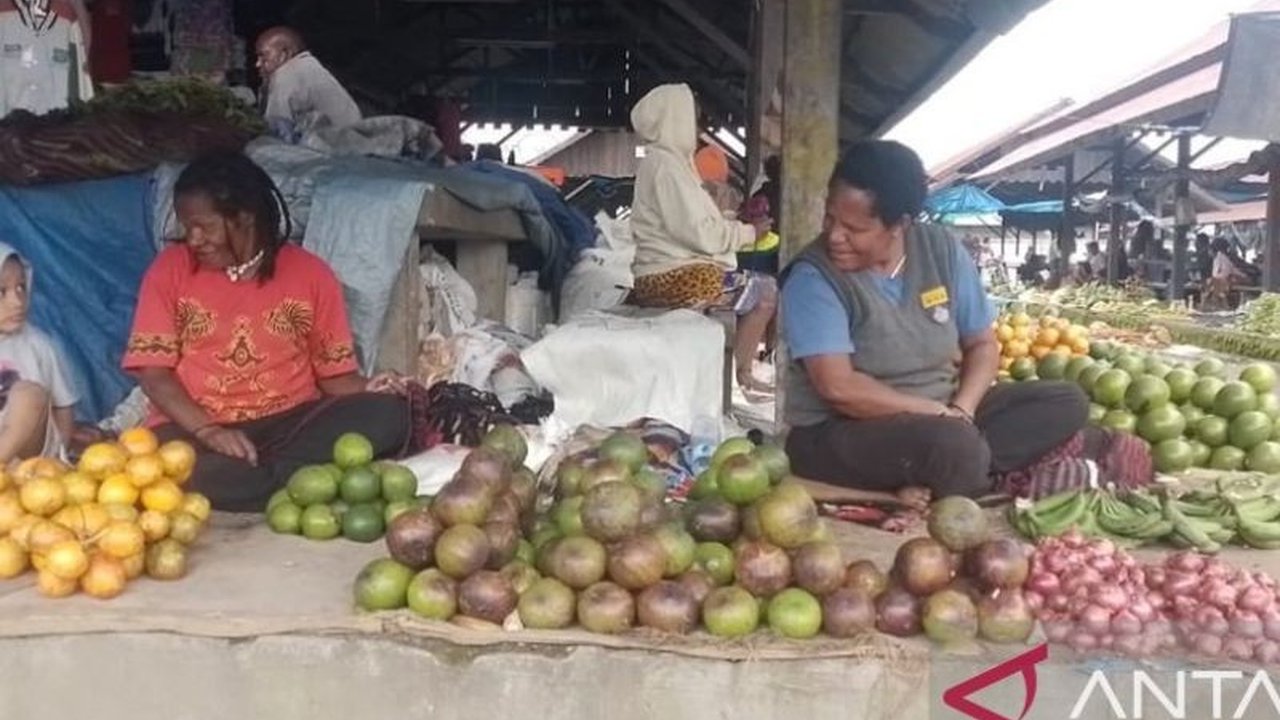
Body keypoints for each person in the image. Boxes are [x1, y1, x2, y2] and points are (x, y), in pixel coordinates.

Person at [780, 140, 1122, 508]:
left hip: (944, 414)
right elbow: (839, 388)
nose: (834, 236)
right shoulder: (813, 278)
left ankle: (957, 471)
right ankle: (973, 470)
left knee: (1065, 400)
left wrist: (963, 409)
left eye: (854, 228)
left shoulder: (940, 249)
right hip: (843, 432)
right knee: (952, 446)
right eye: (829, 218)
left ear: (900, 224)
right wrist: (936, 414)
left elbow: (982, 345)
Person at [122, 152, 408, 511]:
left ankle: (265, 481)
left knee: (389, 415)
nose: (193, 239)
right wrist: (209, 431)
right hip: (194, 427)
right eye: (186, 226)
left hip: (289, 425)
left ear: (245, 217)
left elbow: (334, 378)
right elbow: (154, 375)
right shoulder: (169, 270)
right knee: (171, 464)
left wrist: (371, 387)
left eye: (204, 226)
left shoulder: (311, 274)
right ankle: (301, 482)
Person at [626, 83, 777, 394]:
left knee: (758, 287)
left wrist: (734, 226)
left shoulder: (668, 163)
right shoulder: (667, 167)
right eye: (692, 118)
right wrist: (749, 233)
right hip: (673, 277)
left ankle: (739, 374)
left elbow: (694, 225)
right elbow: (698, 234)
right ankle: (741, 376)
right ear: (675, 119)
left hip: (665, 272)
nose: (697, 126)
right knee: (766, 292)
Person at [0, 244, 78, 463]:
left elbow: (64, 407)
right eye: (1, 292)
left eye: (21, 288)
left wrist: (58, 458)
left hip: (29, 461)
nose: (17, 302)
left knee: (29, 394)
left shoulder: (39, 345)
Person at [254, 26, 361, 138]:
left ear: (285, 54)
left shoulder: (287, 74)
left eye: (263, 56)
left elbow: (275, 130)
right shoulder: (306, 66)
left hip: (336, 145)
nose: (258, 64)